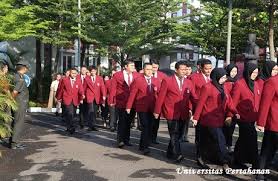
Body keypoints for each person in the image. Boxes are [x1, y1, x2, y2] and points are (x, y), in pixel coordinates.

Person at [192, 68, 239, 169]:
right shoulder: (207, 87)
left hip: (219, 118)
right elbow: (200, 103)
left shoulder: (224, 87)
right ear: (216, 77)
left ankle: (205, 157)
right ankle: (226, 160)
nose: (223, 80)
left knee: (208, 140)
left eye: (224, 78)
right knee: (220, 139)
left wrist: (235, 112)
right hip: (208, 118)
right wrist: (196, 118)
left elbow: (229, 102)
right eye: (222, 78)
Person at [154, 61, 198, 163]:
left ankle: (170, 152)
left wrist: (199, 108)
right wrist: (157, 111)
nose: (184, 71)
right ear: (176, 70)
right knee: (174, 133)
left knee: (179, 134)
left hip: (183, 113)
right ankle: (177, 154)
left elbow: (194, 98)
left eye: (185, 69)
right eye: (182, 69)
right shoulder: (167, 81)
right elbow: (161, 97)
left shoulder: (189, 82)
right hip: (170, 111)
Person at [230, 62, 262, 169]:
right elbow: (233, 102)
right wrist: (232, 114)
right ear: (248, 72)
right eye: (253, 72)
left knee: (243, 139)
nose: (254, 75)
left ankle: (237, 160)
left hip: (253, 116)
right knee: (252, 138)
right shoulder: (239, 83)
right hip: (242, 117)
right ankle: (256, 164)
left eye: (256, 73)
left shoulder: (256, 84)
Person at [126, 63, 160, 155]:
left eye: (151, 69)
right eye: (147, 69)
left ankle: (143, 144)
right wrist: (129, 106)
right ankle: (145, 147)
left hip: (152, 107)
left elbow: (160, 95)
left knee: (150, 126)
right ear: (144, 70)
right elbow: (133, 94)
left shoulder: (156, 81)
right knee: (145, 126)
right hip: (142, 107)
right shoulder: (138, 80)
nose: (150, 71)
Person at [109, 59, 140, 148]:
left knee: (129, 122)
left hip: (133, 102)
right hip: (121, 102)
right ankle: (120, 140)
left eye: (134, 66)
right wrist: (111, 100)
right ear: (126, 66)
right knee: (122, 121)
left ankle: (127, 140)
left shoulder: (137, 75)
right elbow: (113, 89)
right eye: (131, 66)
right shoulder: (117, 75)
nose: (133, 67)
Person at [188, 59, 213, 166]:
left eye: (210, 68)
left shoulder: (213, 77)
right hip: (198, 108)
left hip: (210, 110)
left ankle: (207, 153)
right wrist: (191, 109)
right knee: (200, 133)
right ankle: (199, 155)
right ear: (201, 68)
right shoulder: (194, 78)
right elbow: (191, 94)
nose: (208, 71)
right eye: (206, 69)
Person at [255, 75, 278, 181]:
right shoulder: (272, 81)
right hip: (274, 122)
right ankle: (260, 174)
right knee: (267, 151)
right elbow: (265, 103)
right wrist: (261, 123)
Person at [56, 68, 85, 134]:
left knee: (73, 114)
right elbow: (61, 89)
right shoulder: (65, 80)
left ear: (77, 74)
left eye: (75, 73)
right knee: (70, 113)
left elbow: (81, 89)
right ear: (70, 73)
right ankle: (71, 127)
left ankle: (68, 127)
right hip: (67, 99)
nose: (74, 75)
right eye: (72, 73)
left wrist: (82, 95)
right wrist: (59, 98)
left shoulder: (78, 80)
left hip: (75, 99)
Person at [9, 60, 30, 149]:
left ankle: (12, 141)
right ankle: (15, 143)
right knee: (18, 123)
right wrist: (11, 101)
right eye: (27, 68)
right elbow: (15, 92)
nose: (28, 69)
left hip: (17, 103)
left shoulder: (15, 76)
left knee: (14, 122)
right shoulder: (20, 79)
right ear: (24, 68)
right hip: (19, 104)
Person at [83, 66, 106, 131]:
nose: (93, 72)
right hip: (89, 96)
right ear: (90, 72)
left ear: (96, 71)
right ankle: (90, 125)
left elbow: (102, 87)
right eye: (92, 71)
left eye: (94, 71)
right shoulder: (87, 78)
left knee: (95, 112)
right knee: (90, 110)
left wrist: (103, 95)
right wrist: (83, 95)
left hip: (97, 97)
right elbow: (84, 88)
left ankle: (94, 125)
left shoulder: (100, 78)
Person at [223, 64, 238, 152]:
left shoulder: (236, 81)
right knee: (226, 128)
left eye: (235, 71)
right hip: (226, 108)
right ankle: (225, 145)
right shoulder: (226, 82)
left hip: (234, 109)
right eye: (232, 71)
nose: (233, 73)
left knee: (231, 129)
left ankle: (228, 145)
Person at [151, 59, 166, 144]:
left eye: (156, 67)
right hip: (148, 102)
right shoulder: (145, 74)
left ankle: (154, 138)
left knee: (156, 122)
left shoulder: (162, 76)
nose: (154, 69)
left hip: (158, 102)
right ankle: (147, 137)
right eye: (153, 67)